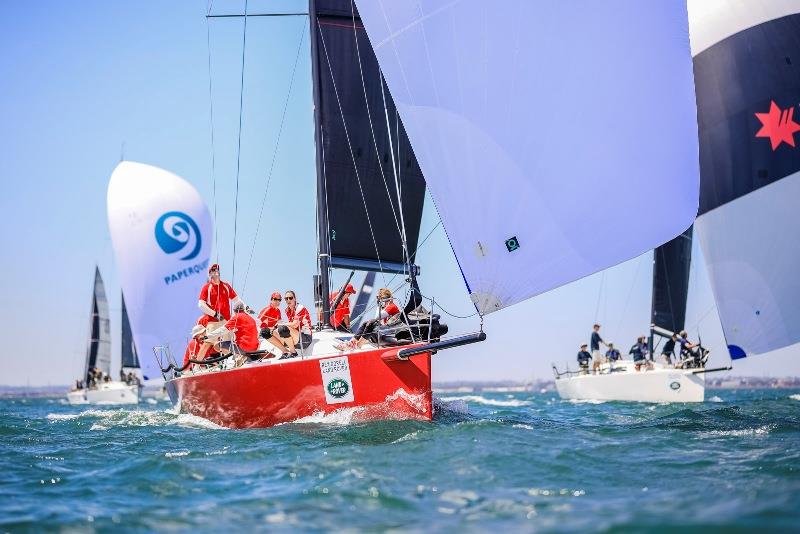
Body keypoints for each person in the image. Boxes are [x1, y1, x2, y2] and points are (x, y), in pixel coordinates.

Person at [336, 288, 400, 351]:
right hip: (387, 329)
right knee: (366, 323)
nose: (379, 301)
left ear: (385, 300)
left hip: (392, 331)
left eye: (380, 299)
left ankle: (358, 345)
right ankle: (351, 343)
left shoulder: (392, 306)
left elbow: (377, 317)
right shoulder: (386, 307)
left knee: (372, 322)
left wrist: (379, 305)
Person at [201, 302, 259, 367]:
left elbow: (222, 330)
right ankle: (242, 357)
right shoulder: (251, 318)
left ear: (234, 311)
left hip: (244, 348)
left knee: (216, 345)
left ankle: (237, 357)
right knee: (235, 342)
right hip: (255, 348)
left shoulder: (236, 317)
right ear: (243, 309)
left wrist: (208, 336)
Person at [197, 263, 252, 329]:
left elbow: (237, 300)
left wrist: (246, 308)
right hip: (213, 322)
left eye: (217, 269)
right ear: (210, 274)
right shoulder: (206, 287)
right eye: (213, 270)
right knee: (211, 339)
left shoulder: (226, 286)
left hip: (226, 322)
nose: (216, 270)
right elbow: (201, 304)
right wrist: (215, 314)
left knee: (228, 339)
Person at [284, 290, 314, 355]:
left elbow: (294, 325)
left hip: (306, 338)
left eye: (290, 298)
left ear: (294, 299)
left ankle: (293, 353)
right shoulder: (287, 310)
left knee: (283, 329)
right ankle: (285, 352)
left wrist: (281, 324)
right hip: (297, 335)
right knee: (269, 333)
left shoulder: (300, 308)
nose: (288, 300)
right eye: (286, 298)